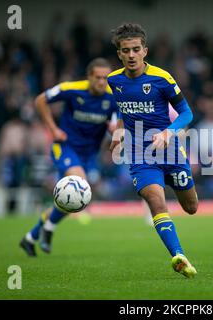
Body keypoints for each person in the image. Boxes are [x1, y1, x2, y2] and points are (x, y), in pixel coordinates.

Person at [108, 23, 198, 278]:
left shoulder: (162, 78)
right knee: (156, 202)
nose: (131, 55)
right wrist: (118, 130)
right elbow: (119, 108)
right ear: (120, 54)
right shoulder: (114, 81)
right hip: (140, 154)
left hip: (170, 151)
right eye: (126, 51)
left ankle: (174, 186)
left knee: (191, 207)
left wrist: (169, 132)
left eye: (136, 49)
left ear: (145, 51)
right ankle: (179, 256)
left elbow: (187, 113)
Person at [19, 58, 118, 257]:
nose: (101, 82)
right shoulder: (72, 89)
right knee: (79, 186)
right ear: (89, 77)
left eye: (105, 78)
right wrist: (53, 129)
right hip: (65, 147)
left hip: (90, 154)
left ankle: (32, 236)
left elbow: (116, 124)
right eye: (97, 78)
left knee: (69, 199)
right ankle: (48, 228)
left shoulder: (113, 97)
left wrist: (115, 133)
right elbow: (40, 100)